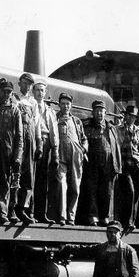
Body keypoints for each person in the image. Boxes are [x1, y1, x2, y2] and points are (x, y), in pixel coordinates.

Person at [0, 80, 23, 224]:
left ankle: (2, 212)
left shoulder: (14, 110)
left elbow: (19, 136)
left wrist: (18, 155)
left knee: (5, 182)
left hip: (8, 150)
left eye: (9, 92)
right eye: (4, 91)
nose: (6, 94)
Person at [83, 100, 121, 226]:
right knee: (92, 189)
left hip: (108, 163)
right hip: (92, 162)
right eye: (97, 111)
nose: (99, 113)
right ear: (93, 112)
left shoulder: (111, 128)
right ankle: (93, 216)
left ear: (105, 113)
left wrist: (117, 166)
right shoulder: (87, 125)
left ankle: (105, 217)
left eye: (102, 111)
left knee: (106, 191)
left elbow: (116, 147)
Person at [17, 79, 48, 223]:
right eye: (24, 83)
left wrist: (39, 144)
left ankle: (24, 209)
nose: (27, 86)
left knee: (28, 177)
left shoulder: (33, 103)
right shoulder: (14, 98)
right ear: (19, 84)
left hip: (30, 141)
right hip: (17, 139)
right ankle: (12, 208)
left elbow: (36, 125)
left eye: (29, 84)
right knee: (14, 175)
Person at [53, 93, 87, 225]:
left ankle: (71, 217)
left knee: (75, 187)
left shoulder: (77, 121)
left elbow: (84, 138)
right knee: (62, 184)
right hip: (60, 154)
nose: (65, 106)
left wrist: (83, 149)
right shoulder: (54, 118)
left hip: (76, 156)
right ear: (59, 105)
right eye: (63, 104)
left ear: (71, 105)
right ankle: (62, 216)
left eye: (68, 104)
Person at [115, 106, 139, 231]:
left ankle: (131, 220)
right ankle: (127, 222)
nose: (130, 118)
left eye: (133, 116)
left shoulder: (138, 132)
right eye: (128, 115)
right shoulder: (118, 129)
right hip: (124, 165)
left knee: (136, 195)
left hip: (136, 166)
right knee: (130, 191)